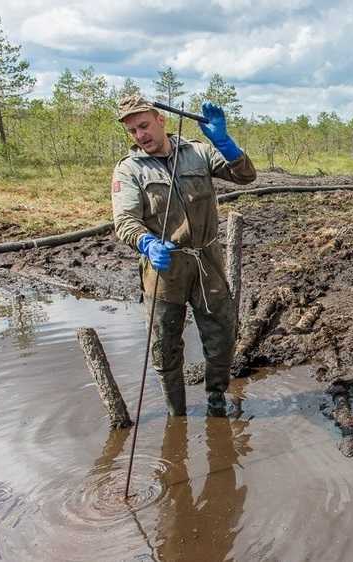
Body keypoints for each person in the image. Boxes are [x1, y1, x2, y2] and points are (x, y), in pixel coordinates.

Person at [111, 95, 256, 417]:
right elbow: (124, 221)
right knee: (165, 346)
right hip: (164, 270)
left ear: (161, 120)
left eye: (144, 126)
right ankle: (175, 413)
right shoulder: (129, 170)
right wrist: (146, 243)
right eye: (132, 131)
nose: (140, 135)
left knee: (221, 336)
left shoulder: (198, 153)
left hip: (208, 263)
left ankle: (216, 403)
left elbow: (246, 177)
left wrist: (225, 142)